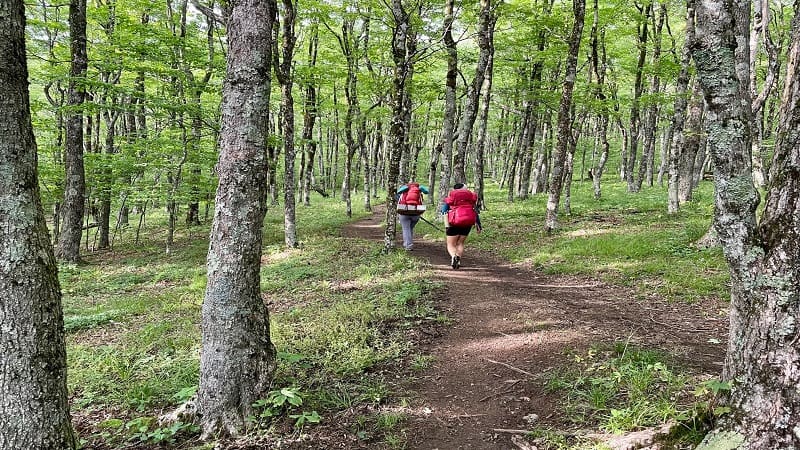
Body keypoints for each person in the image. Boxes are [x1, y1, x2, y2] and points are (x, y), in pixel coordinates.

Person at [441, 183, 481, 269]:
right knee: (460, 243)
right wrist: (478, 224)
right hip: (468, 223)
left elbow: (444, 211)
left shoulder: (452, 198)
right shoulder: (470, 199)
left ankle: (453, 256)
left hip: (453, 223)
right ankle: (458, 259)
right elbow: (475, 212)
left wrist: (446, 225)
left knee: (451, 244)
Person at [396, 181, 429, 251]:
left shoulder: (404, 190)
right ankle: (408, 243)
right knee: (409, 228)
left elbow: (397, 196)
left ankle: (408, 245)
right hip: (416, 213)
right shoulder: (419, 191)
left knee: (406, 229)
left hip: (404, 212)